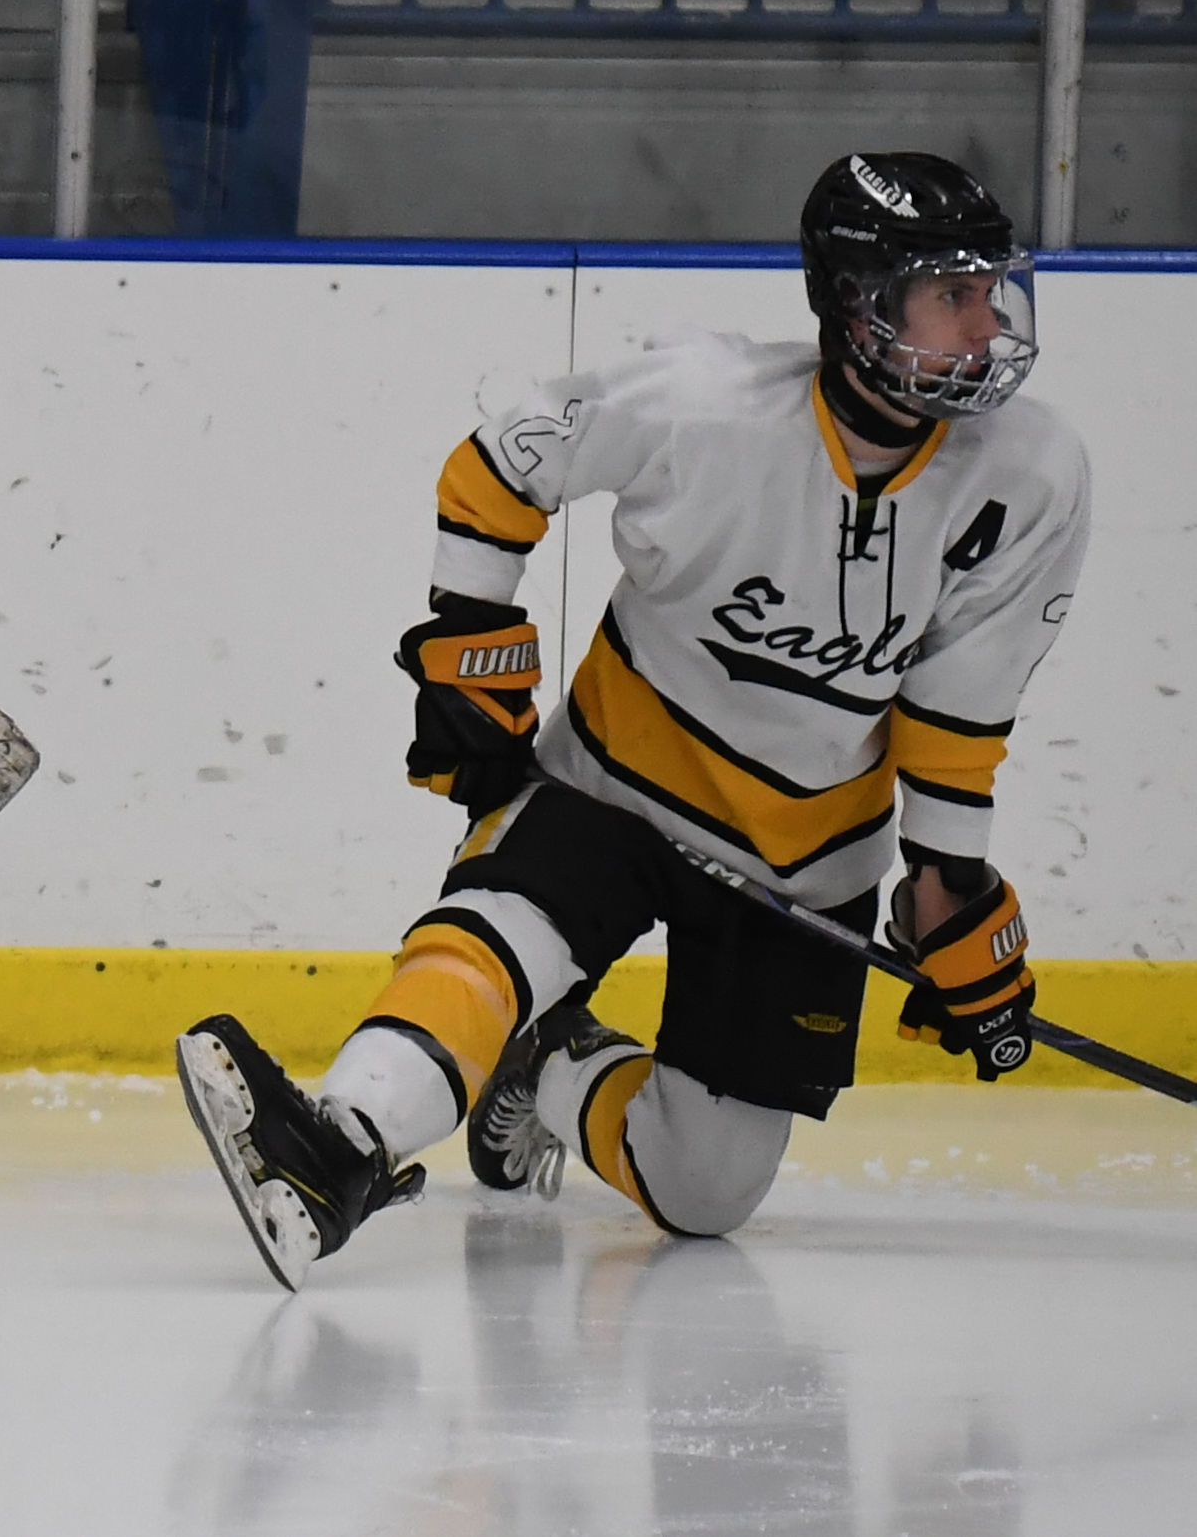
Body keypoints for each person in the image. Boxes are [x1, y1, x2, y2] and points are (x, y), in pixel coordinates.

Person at [176, 153, 1091, 1289]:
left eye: (993, 287)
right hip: (611, 786)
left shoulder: (1034, 477)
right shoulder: (701, 407)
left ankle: (551, 1074)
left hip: (805, 861)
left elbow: (962, 702)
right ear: (859, 308)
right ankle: (338, 1147)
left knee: (706, 1194)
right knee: (500, 931)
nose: (988, 318)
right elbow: (497, 470)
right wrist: (474, 652)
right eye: (953, 293)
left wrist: (950, 885)